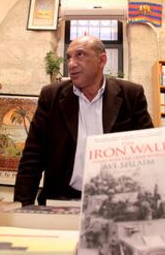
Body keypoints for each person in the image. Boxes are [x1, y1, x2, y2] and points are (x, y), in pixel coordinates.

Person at [14, 35, 154, 206]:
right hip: (61, 201)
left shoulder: (130, 95)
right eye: (69, 57)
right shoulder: (51, 96)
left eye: (80, 55)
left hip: (116, 202)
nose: (71, 64)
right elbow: (32, 157)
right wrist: (21, 208)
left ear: (101, 60)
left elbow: (149, 156)